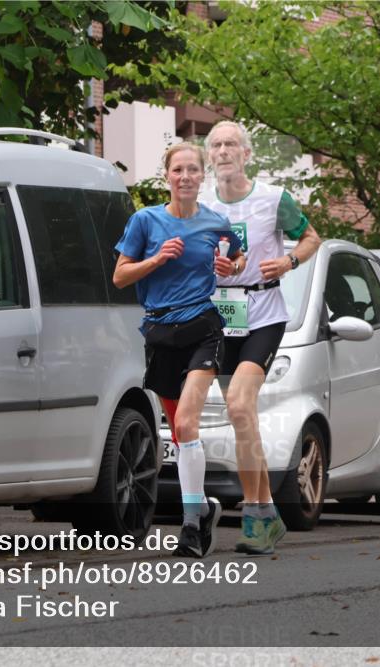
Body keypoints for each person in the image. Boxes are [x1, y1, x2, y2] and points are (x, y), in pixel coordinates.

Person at [113, 142, 242, 559]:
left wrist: (230, 267)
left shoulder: (217, 224)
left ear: (202, 176)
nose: (185, 177)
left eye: (192, 170)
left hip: (202, 329)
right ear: (166, 176)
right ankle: (203, 509)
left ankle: (189, 527)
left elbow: (236, 260)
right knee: (181, 431)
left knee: (186, 424)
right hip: (159, 333)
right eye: (177, 170)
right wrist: (155, 259)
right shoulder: (144, 221)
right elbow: (119, 277)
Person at [202, 121, 322, 555]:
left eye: (231, 143)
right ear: (209, 156)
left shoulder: (273, 199)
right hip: (220, 314)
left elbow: (312, 237)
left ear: (247, 154)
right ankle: (264, 513)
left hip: (263, 314)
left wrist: (288, 262)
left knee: (237, 404)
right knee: (242, 416)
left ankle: (256, 512)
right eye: (215, 144)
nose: (223, 150)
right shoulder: (199, 203)